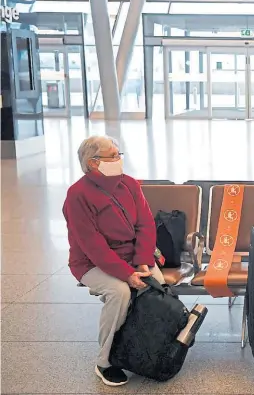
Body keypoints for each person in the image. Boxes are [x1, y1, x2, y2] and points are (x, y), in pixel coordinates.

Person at [63, 135, 164, 387]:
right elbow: (92, 245)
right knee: (120, 292)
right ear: (94, 163)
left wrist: (142, 262)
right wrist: (127, 274)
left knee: (157, 288)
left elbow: (145, 224)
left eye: (119, 154)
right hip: (91, 263)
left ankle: (145, 349)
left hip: (133, 255)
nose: (119, 160)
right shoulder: (77, 195)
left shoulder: (128, 184)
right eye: (114, 156)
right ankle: (105, 361)